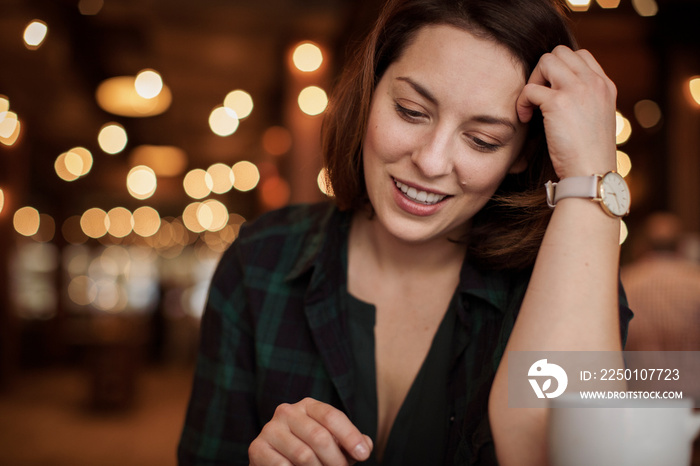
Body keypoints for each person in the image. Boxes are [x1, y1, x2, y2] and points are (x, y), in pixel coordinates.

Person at [178, 0, 632, 464]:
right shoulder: (260, 261)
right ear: (370, 92)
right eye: (412, 111)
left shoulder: (568, 283)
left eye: (482, 140)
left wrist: (594, 173)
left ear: (518, 154)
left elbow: (575, 453)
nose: (431, 162)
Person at [622, 212, 700, 351]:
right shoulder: (696, 281)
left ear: (641, 245)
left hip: (642, 372)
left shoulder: (626, 282)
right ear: (681, 245)